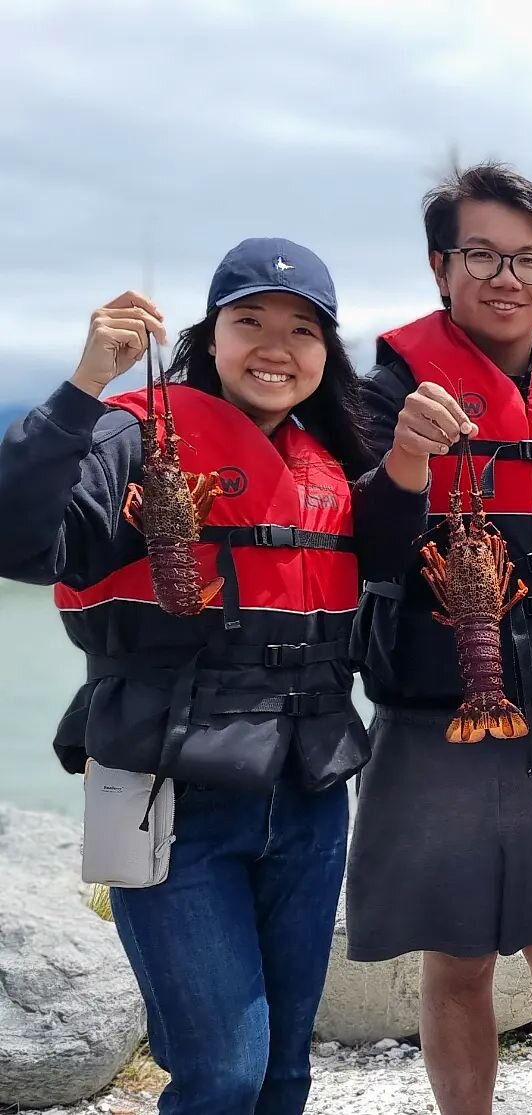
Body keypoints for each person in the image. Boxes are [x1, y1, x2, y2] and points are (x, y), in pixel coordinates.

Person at [0, 239, 375, 1115]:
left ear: (327, 353)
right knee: (222, 1073)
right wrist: (85, 382)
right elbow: (18, 538)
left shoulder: (332, 464)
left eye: (303, 329)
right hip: (167, 791)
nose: (275, 346)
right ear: (211, 335)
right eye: (250, 321)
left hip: (310, 794)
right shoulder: (130, 432)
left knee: (286, 1072)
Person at [345, 161, 532, 1115]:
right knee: (458, 954)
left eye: (529, 259)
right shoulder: (379, 392)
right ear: (441, 267)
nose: (505, 276)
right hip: (431, 717)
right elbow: (356, 552)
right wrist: (402, 461)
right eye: (482, 253)